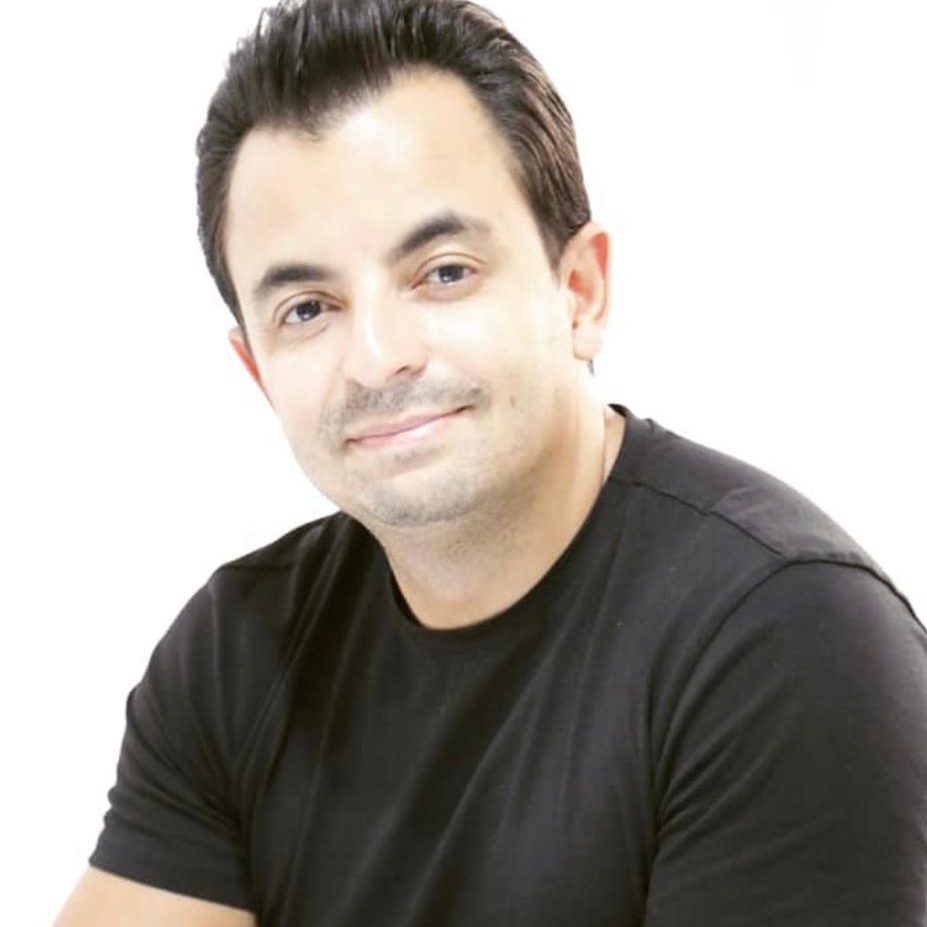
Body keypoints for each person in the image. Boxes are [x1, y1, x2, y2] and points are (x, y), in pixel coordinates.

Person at [53, 0, 927, 924]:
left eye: (443, 271)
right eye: (307, 308)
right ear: (258, 371)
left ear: (579, 291)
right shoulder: (239, 650)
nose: (377, 357)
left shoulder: (780, 639)